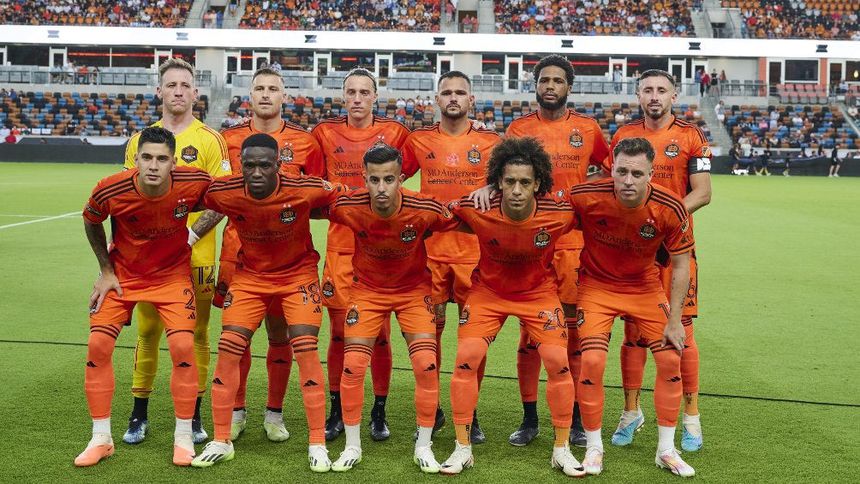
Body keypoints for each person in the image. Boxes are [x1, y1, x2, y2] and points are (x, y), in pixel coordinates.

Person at [190, 133, 339, 471]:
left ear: (278, 165)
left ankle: (317, 442)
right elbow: (183, 197)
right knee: (229, 347)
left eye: (264, 165)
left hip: (297, 276)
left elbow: (349, 199)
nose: (256, 172)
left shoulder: (304, 188)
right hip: (250, 277)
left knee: (305, 349)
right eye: (249, 165)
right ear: (240, 165)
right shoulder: (225, 191)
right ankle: (221, 439)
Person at [439, 137, 583, 477]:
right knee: (467, 358)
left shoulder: (559, 213)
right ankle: (462, 447)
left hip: (538, 294)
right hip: (488, 293)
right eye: (509, 182)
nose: (517, 190)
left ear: (538, 184)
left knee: (558, 362)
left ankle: (561, 449)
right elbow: (434, 216)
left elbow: (599, 215)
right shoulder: (477, 206)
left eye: (525, 183)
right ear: (498, 183)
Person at [77, 127, 220, 467]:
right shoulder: (111, 188)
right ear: (136, 159)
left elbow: (223, 202)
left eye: (162, 159)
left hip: (172, 277)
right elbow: (91, 220)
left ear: (174, 162)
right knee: (98, 346)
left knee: (183, 347)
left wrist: (193, 234)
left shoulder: (195, 182)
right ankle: (101, 438)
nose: (153, 166)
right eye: (147, 158)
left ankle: (183, 438)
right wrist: (106, 270)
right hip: (124, 276)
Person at [323, 144, 460, 473]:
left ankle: (423, 446)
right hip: (367, 292)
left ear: (401, 178)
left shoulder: (423, 208)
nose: (381, 188)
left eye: (389, 179)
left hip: (413, 292)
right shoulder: (347, 205)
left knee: (426, 365)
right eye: (374, 180)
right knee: (353, 366)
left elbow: (462, 218)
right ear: (364, 178)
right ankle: (353, 446)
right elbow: (306, 205)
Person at [122, 58, 231, 445]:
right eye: (171, 85)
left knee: (196, 333)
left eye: (185, 85)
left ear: (195, 93)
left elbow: (222, 200)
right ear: (159, 91)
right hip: (150, 260)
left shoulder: (210, 140)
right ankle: (139, 413)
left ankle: (194, 415)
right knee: (148, 331)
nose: (178, 91)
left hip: (195, 257)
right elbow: (129, 199)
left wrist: (188, 235)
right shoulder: (139, 141)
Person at [573, 137, 695, 478]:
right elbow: (543, 212)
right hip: (597, 287)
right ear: (611, 169)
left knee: (670, 359)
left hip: (644, 288)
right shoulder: (585, 196)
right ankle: (594, 447)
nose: (628, 180)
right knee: (592, 361)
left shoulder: (671, 207)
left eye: (637, 173)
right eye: (622, 171)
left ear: (651, 174)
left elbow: (681, 265)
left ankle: (666, 450)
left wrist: (675, 320)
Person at [505, 54, 610, 448]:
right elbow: (503, 179)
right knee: (530, 335)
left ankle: (577, 419)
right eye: (544, 80)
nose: (550, 86)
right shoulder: (519, 129)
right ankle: (530, 418)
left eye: (558, 81)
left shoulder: (587, 128)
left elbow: (612, 169)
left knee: (574, 334)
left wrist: (589, 198)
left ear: (569, 87)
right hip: (530, 245)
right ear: (535, 86)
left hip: (573, 246)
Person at [606, 69, 711, 453]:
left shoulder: (691, 136)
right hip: (633, 250)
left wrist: (663, 221)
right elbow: (613, 186)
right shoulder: (623, 135)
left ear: (674, 96)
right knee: (633, 332)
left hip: (675, 249)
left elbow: (703, 193)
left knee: (682, 332)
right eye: (647, 90)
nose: (654, 96)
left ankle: (691, 417)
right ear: (638, 96)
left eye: (661, 90)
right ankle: (631, 411)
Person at [218, 67, 325, 442]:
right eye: (259, 88)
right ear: (249, 94)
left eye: (273, 88)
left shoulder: (306, 142)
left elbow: (317, 198)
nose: (266, 94)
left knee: (280, 335)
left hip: (288, 261)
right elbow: (220, 196)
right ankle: (236, 411)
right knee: (237, 338)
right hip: (238, 253)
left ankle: (274, 414)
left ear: (284, 96)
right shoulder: (227, 139)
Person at [401, 71, 501, 443]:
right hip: (430, 255)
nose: (453, 98)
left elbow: (510, 182)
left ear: (471, 100)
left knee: (473, 338)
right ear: (437, 99)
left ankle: (469, 410)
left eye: (460, 92)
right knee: (429, 336)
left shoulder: (491, 142)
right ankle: (433, 410)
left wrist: (491, 185)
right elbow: (391, 177)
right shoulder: (419, 140)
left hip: (475, 255)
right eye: (447, 92)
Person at [311, 68, 410, 441]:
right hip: (340, 248)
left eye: (364, 92)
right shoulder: (324, 133)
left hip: (382, 249)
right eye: (350, 92)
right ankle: (337, 410)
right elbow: (315, 186)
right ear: (343, 96)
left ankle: (378, 411)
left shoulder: (397, 134)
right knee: (339, 335)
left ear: (375, 97)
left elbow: (411, 171)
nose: (356, 98)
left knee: (380, 336)